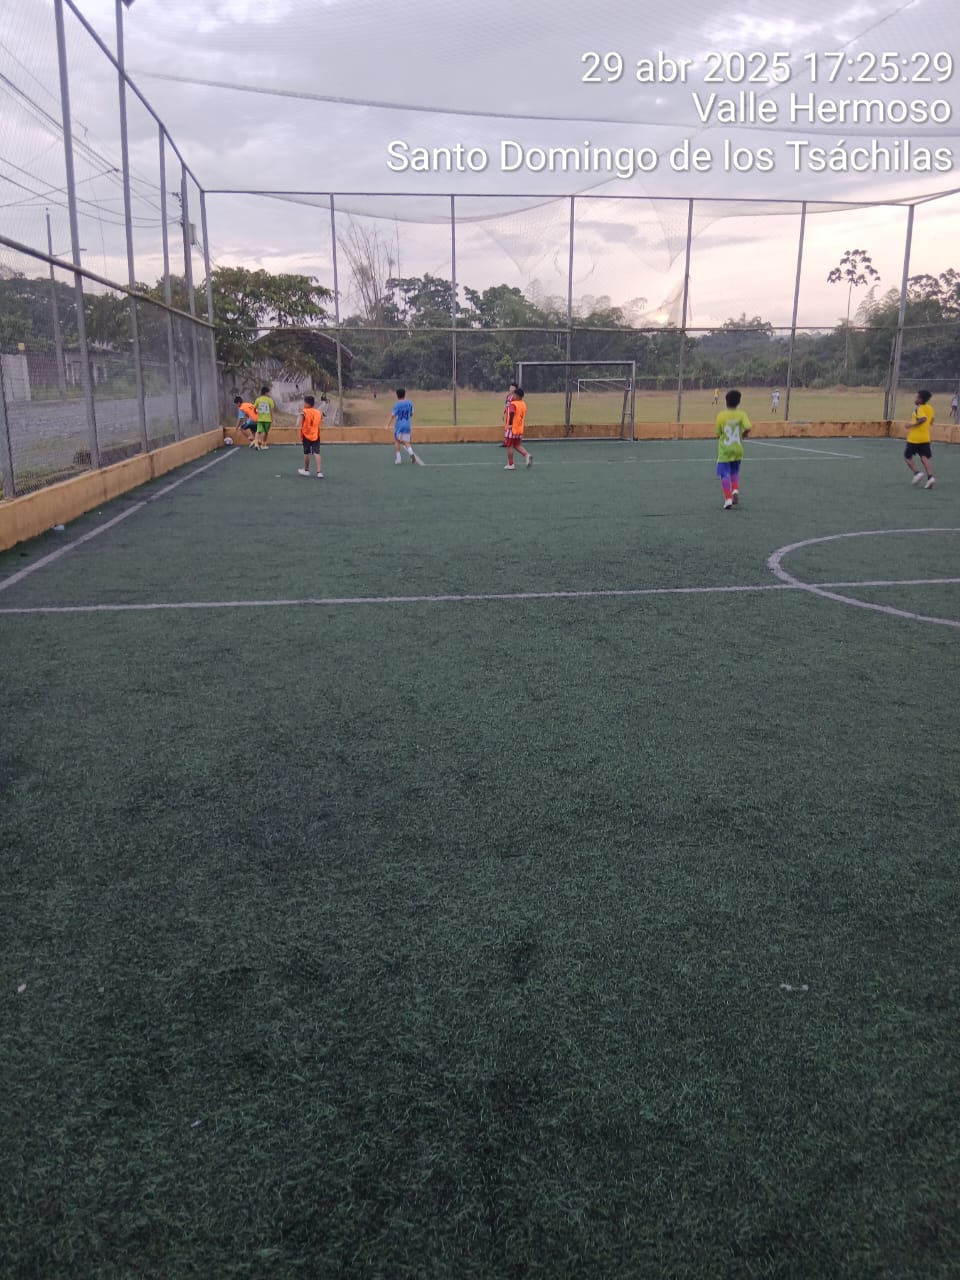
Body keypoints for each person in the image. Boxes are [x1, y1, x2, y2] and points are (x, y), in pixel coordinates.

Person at [715, 389, 751, 509]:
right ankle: (735, 490)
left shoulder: (721, 416)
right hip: (738, 449)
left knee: (724, 474)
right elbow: (748, 427)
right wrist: (744, 434)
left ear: (726, 401)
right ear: (738, 402)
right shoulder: (742, 415)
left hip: (725, 450)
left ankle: (728, 499)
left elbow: (718, 433)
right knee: (734, 471)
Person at [904, 389, 935, 489]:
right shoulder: (930, 408)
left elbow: (923, 419)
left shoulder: (919, 408)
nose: (915, 399)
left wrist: (911, 425)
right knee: (924, 457)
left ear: (921, 399)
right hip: (925, 437)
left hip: (914, 438)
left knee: (907, 457)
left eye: (916, 397)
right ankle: (930, 477)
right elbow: (931, 421)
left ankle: (917, 473)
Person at [388, 387, 422, 464]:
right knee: (406, 441)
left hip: (399, 425)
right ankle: (411, 453)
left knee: (396, 440)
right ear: (404, 394)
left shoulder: (397, 404)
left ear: (397, 395)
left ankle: (398, 459)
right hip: (407, 425)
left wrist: (387, 425)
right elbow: (411, 414)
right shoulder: (409, 403)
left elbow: (393, 415)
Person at [504, 387, 532, 469]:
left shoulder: (513, 404)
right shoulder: (523, 404)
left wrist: (510, 424)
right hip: (519, 428)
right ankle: (527, 455)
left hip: (512, 428)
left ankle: (511, 464)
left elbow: (512, 413)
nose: (512, 396)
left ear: (517, 396)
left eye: (514, 394)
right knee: (517, 445)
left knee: (509, 446)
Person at [296, 394, 323, 478]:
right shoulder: (318, 412)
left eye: (304, 402)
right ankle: (319, 472)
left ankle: (306, 470)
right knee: (317, 452)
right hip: (316, 434)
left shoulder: (304, 412)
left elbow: (297, 423)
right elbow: (320, 420)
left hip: (306, 434)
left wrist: (299, 414)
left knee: (306, 452)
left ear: (307, 404)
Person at [253, 385, 275, 450]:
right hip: (268, 420)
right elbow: (271, 411)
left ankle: (256, 444)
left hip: (260, 419)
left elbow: (254, 408)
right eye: (269, 392)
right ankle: (263, 444)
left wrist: (255, 412)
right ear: (266, 392)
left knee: (258, 431)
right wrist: (273, 419)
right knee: (266, 432)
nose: (269, 394)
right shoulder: (270, 400)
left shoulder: (258, 399)